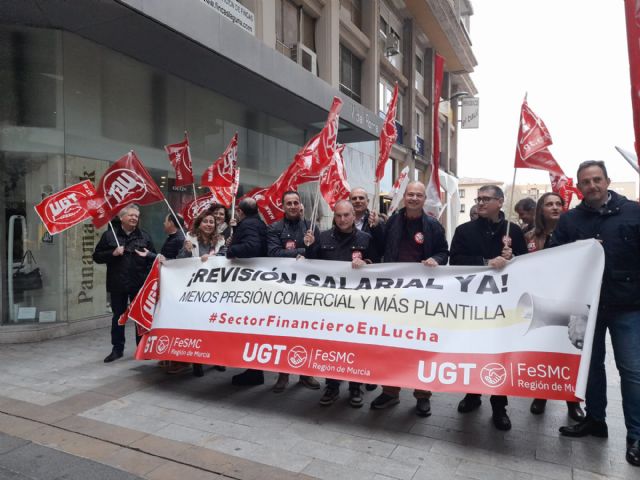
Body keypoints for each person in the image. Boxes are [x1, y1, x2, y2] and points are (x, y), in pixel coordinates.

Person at [553, 161, 640, 467]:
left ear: (607, 181)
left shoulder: (633, 212)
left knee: (632, 371)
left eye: (596, 180)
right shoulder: (570, 219)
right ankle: (595, 420)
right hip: (587, 306)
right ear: (579, 187)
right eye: (586, 182)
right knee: (590, 367)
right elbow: (556, 254)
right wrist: (581, 249)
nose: (591, 186)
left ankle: (637, 436)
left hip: (628, 305)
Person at [450, 185, 527, 431]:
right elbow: (456, 261)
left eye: (486, 199)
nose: (481, 203)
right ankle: (472, 394)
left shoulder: (513, 231)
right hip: (473, 303)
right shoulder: (464, 230)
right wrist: (485, 263)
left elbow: (527, 265)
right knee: (474, 351)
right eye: (479, 198)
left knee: (498, 355)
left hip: (503, 305)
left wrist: (513, 258)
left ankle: (499, 406)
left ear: (500, 202)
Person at [369, 181, 449, 417]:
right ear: (404, 196)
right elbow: (379, 247)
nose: (414, 198)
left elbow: (444, 252)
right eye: (410, 194)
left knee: (421, 344)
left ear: (424, 200)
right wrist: (374, 228)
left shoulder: (433, 225)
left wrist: (436, 259)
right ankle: (390, 391)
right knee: (391, 342)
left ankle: (422, 394)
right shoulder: (392, 221)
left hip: (422, 295)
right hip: (394, 293)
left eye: (419, 195)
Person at [304, 199, 375, 408]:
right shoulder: (322, 237)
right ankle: (332, 385)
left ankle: (355, 387)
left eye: (346, 215)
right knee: (331, 345)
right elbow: (311, 265)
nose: (342, 219)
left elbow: (378, 263)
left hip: (356, 304)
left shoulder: (366, 238)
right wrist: (309, 247)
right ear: (334, 217)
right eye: (338, 215)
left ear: (354, 216)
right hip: (330, 304)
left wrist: (367, 264)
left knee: (355, 345)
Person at [524, 193, 585, 421]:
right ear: (541, 209)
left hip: (571, 301)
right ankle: (541, 395)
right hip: (541, 302)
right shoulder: (529, 235)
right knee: (542, 352)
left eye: (559, 204)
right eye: (549, 204)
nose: (555, 207)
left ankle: (573, 402)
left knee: (569, 352)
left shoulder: (576, 234)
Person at [266, 191, 321, 393]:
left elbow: (320, 252)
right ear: (283, 206)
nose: (292, 206)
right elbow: (273, 253)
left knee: (307, 333)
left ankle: (306, 373)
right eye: (288, 203)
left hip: (307, 290)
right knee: (283, 333)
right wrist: (300, 252)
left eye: (295, 202)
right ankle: (282, 375)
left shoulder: (312, 226)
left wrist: (311, 247)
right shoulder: (274, 228)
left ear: (300, 205)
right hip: (284, 289)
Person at [92, 204, 155, 363]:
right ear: (121, 218)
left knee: (140, 318)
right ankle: (117, 349)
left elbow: (152, 259)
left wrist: (147, 276)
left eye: (136, 215)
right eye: (131, 215)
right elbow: (97, 256)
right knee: (118, 317)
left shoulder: (145, 236)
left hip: (138, 284)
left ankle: (142, 347)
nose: (134, 218)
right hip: (117, 283)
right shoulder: (109, 236)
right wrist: (112, 253)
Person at [174, 207, 226, 376]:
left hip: (215, 289)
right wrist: (186, 250)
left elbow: (225, 259)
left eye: (212, 222)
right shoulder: (190, 237)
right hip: (195, 289)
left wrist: (213, 258)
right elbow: (180, 262)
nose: (209, 224)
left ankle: (216, 358)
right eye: (206, 221)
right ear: (199, 223)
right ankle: (197, 360)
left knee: (215, 326)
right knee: (198, 326)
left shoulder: (220, 240)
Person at [228, 198, 268, 386]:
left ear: (241, 212)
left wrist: (231, 249)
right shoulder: (258, 223)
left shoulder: (249, 224)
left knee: (251, 328)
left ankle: (254, 372)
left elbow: (252, 247)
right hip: (256, 282)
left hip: (250, 283)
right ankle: (254, 370)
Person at [350, 187, 385, 262]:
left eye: (361, 198)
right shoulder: (343, 221)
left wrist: (376, 227)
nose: (357, 201)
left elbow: (383, 248)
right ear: (349, 202)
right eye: (354, 198)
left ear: (368, 201)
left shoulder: (378, 222)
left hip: (370, 269)